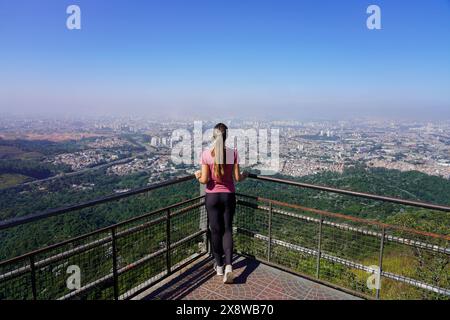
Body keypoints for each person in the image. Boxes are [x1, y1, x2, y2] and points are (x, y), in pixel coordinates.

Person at [195, 123, 248, 284]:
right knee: (227, 230)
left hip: (212, 197)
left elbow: (204, 180)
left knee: (215, 231)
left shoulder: (205, 154)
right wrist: (246, 174)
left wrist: (196, 175)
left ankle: (218, 266)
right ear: (226, 137)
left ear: (213, 136)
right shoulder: (233, 153)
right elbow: (237, 178)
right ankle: (229, 267)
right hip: (228, 196)